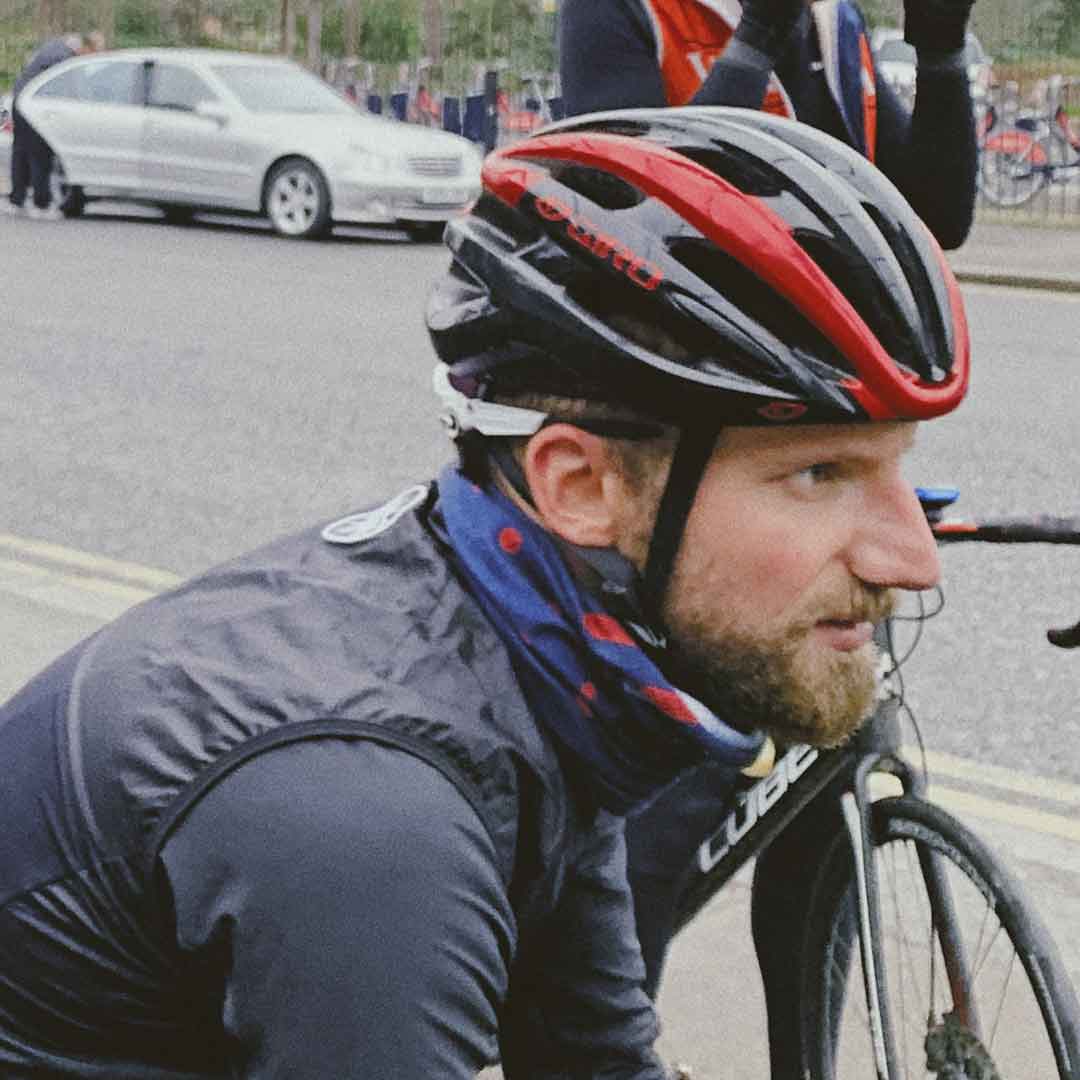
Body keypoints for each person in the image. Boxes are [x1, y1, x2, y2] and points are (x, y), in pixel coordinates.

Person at [0, 109, 968, 1077]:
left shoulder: (537, 660)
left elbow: (593, 1058)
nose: (914, 558)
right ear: (580, 487)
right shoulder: (377, 824)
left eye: (899, 468)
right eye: (820, 474)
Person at [559, 0, 978, 250]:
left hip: (833, 351)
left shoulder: (836, 21)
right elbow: (619, 219)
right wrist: (759, 37)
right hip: (695, 354)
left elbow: (938, 221)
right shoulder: (618, 8)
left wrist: (941, 50)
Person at [6, 30, 104, 219]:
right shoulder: (64, 58)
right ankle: (41, 204)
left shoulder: (56, 46)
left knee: (21, 152)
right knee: (40, 155)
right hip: (34, 106)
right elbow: (68, 88)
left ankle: (17, 200)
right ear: (86, 47)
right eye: (93, 53)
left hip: (20, 100)